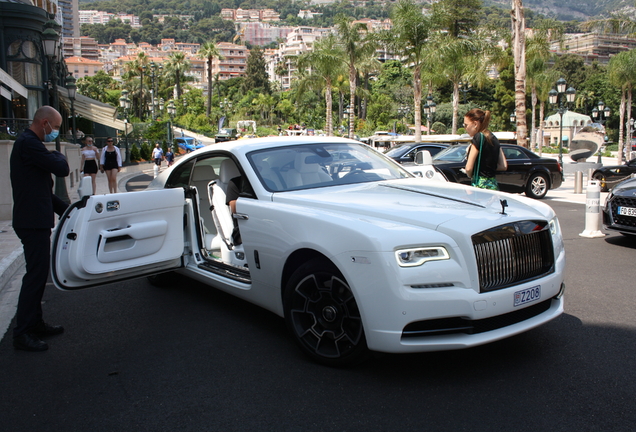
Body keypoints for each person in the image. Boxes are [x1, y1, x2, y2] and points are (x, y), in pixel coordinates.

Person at [10, 105, 70, 352]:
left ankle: (35, 323)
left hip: (35, 220)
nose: (54, 132)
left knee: (37, 274)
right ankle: (22, 332)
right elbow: (63, 168)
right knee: (35, 277)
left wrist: (68, 211)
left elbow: (44, 192)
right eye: (54, 127)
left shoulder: (31, 146)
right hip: (31, 222)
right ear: (43, 122)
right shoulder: (29, 144)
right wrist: (60, 156)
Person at [463, 108, 507, 190]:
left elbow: (469, 168)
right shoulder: (494, 138)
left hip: (480, 186)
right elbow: (503, 166)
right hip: (493, 185)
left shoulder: (478, 137)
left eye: (466, 125)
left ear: (475, 124)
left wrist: (471, 174)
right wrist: (488, 168)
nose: (465, 128)